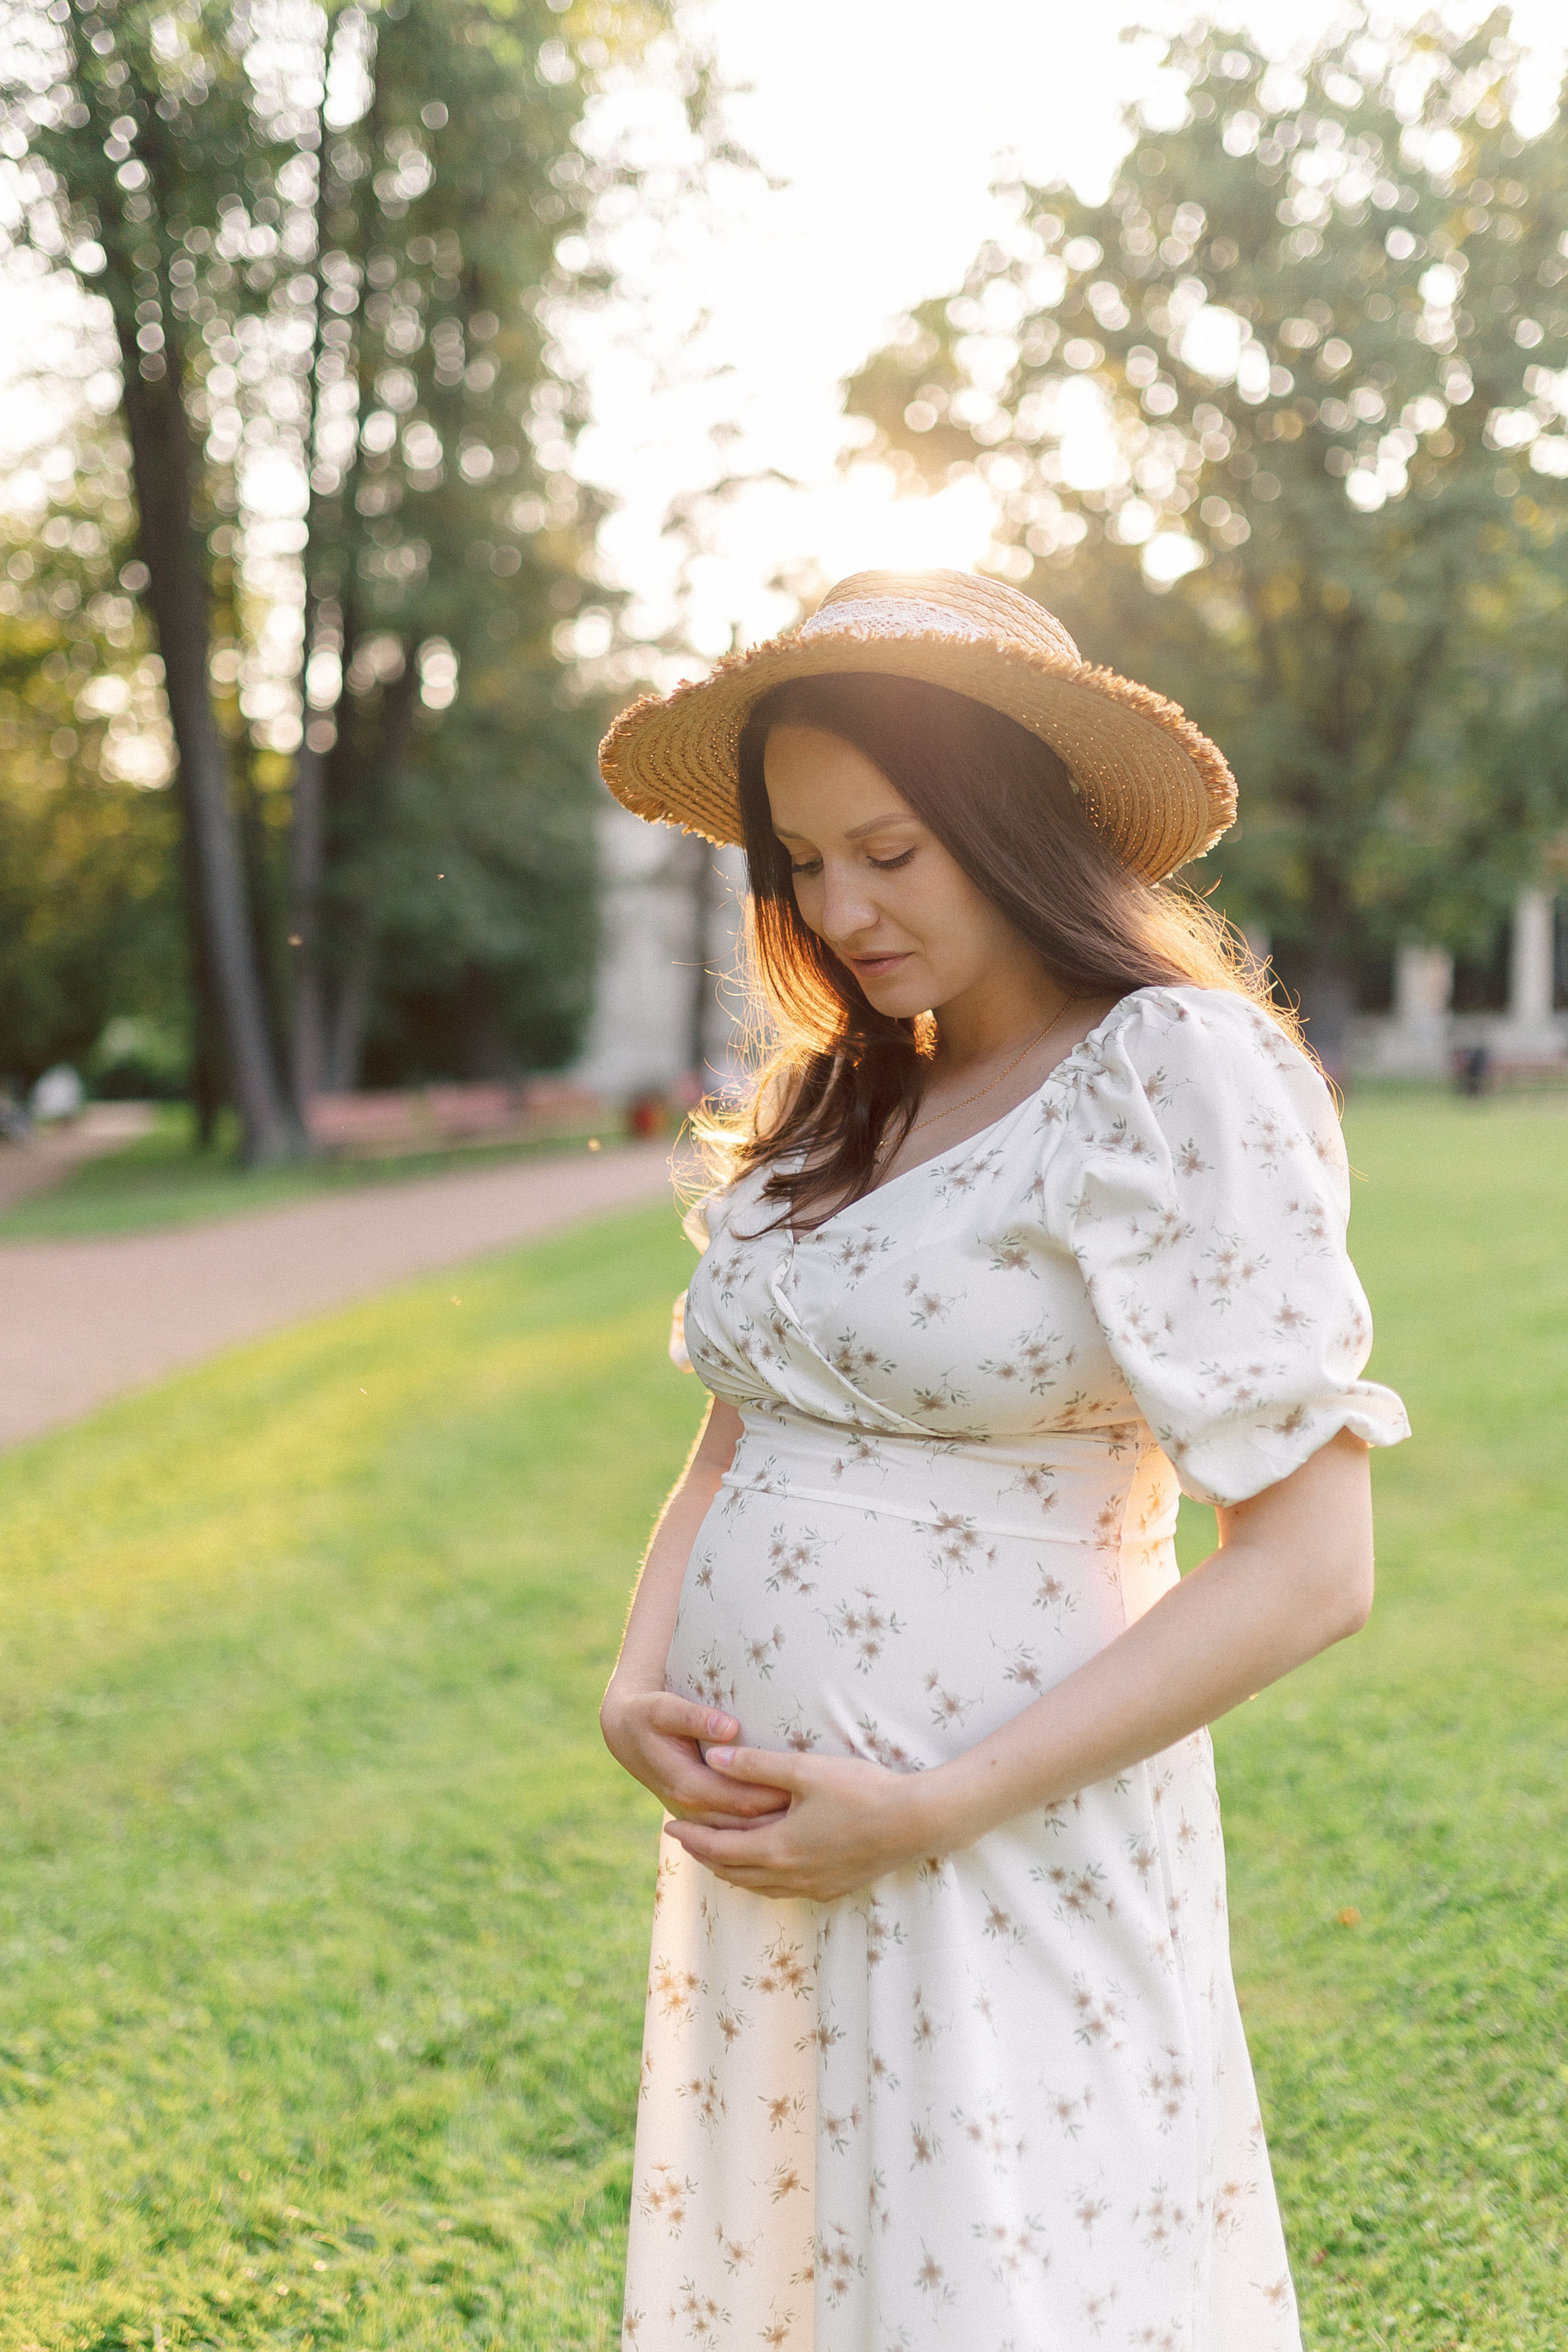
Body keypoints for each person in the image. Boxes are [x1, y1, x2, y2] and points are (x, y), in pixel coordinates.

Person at [596, 569, 1409, 2351]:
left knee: (1011, 2276)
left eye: (889, 847)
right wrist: (639, 1677)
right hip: (772, 1843)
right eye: (803, 861)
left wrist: (939, 1802)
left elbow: (1313, 1565)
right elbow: (739, 1437)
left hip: (998, 1832)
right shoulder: (847, 1094)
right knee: (816, 2268)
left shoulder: (1169, 1072)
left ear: (1014, 820)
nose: (841, 905)